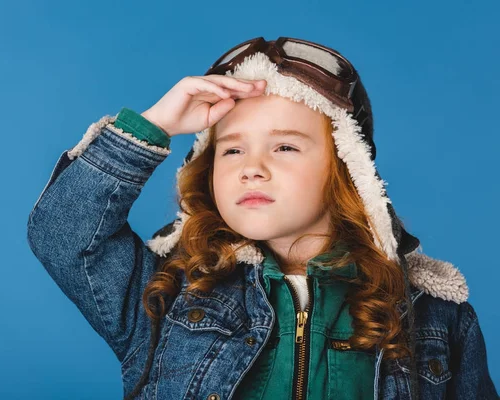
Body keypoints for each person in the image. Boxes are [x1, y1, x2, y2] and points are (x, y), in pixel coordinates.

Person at [26, 37, 498, 399]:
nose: (251, 167)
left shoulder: (431, 314)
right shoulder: (167, 292)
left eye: (285, 146)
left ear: (347, 170)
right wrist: (155, 124)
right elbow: (63, 234)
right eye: (231, 149)